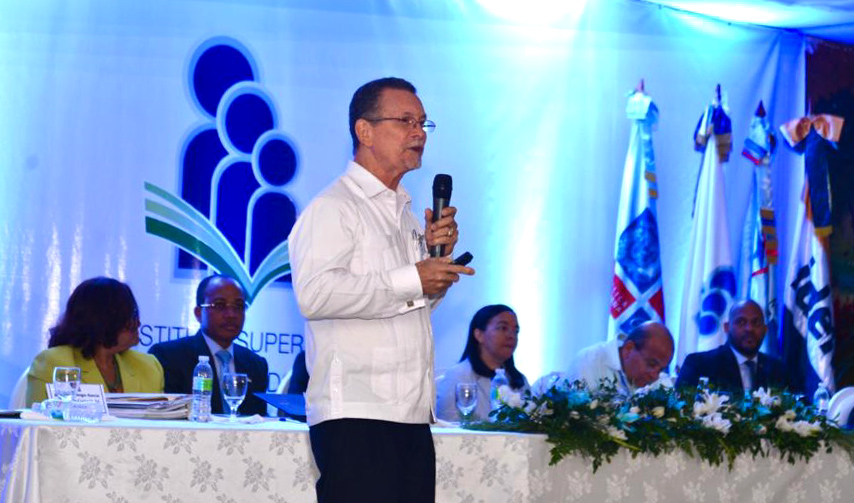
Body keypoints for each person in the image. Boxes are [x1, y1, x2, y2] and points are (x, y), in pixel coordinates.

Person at [288, 76, 475, 503]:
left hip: (409, 414)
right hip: (356, 415)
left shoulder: (406, 214)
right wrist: (414, 276)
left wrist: (435, 272)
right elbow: (315, 295)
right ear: (364, 131)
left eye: (424, 124)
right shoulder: (334, 208)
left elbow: (409, 304)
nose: (417, 133)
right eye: (405, 121)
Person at [26, 277, 163, 406]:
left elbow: (161, 426)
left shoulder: (149, 367)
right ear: (105, 320)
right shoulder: (54, 363)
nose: (138, 323)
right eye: (132, 315)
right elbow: (40, 425)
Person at [149, 274, 269, 416]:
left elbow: (258, 421)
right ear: (198, 313)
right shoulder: (168, 356)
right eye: (219, 305)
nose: (231, 314)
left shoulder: (256, 365)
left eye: (238, 306)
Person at [676, 299, 793, 393]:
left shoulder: (779, 370)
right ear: (727, 327)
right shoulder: (699, 364)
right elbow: (681, 409)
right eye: (741, 322)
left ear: (765, 329)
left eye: (756, 323)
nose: (749, 329)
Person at [435, 304, 529, 421]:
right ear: (479, 335)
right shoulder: (458, 376)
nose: (511, 336)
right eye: (503, 328)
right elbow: (449, 428)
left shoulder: (519, 380)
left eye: (516, 331)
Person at [567, 321, 674, 394]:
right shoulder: (589, 361)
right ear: (629, 348)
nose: (654, 376)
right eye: (651, 364)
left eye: (661, 369)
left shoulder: (660, 380)